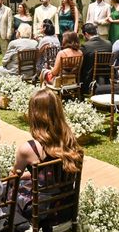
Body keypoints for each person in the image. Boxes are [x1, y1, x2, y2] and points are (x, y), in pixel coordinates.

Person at [12, 89, 83, 224]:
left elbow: (14, 177)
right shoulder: (70, 142)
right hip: (66, 210)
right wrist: (30, 175)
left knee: (5, 192)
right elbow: (53, 175)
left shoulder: (29, 149)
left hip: (42, 214)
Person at [80, 23, 112, 93]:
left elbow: (82, 63)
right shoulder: (108, 44)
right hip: (106, 77)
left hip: (89, 78)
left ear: (86, 34)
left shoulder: (85, 46)